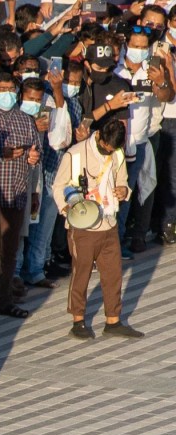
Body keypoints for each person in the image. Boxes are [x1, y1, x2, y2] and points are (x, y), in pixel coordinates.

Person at [54, 112, 140, 339]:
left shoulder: (118, 154)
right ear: (100, 137)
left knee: (113, 274)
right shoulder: (74, 154)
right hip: (82, 226)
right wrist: (69, 212)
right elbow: (58, 187)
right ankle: (78, 320)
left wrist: (124, 191)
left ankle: (113, 320)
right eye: (106, 147)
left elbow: (123, 182)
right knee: (81, 272)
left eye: (113, 149)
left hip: (109, 222)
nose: (109, 151)